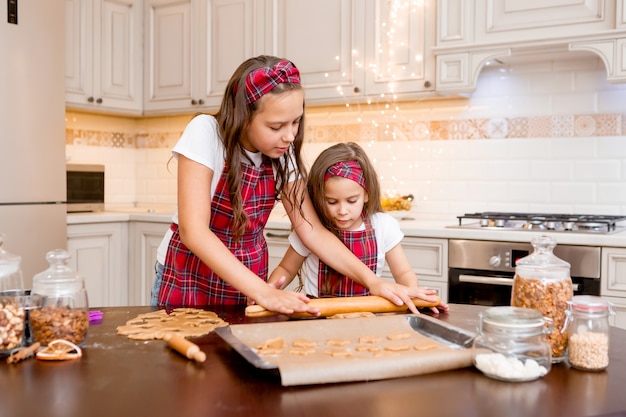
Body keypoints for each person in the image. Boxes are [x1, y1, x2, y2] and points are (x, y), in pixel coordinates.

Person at [152, 55, 432, 315]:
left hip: (249, 285)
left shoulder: (283, 157)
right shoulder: (206, 132)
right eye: (276, 127)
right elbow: (194, 231)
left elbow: (313, 232)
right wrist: (261, 291)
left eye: (296, 122)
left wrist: (374, 282)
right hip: (190, 277)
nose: (289, 136)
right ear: (243, 117)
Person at [268, 142, 447, 313]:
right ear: (318, 196)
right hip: (319, 315)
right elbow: (286, 268)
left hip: (368, 314)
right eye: (331, 202)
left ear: (366, 194)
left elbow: (403, 272)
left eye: (352, 201)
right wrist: (269, 290)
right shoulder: (309, 229)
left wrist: (412, 296)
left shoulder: (382, 226)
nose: (342, 211)